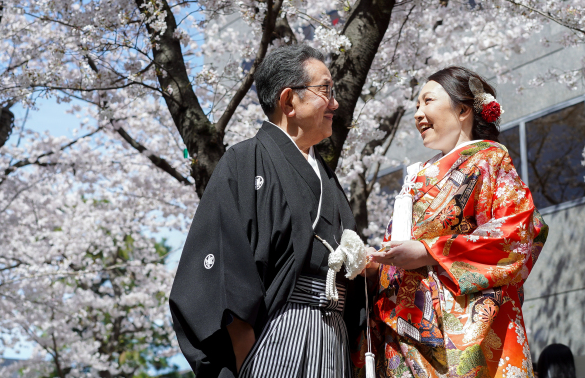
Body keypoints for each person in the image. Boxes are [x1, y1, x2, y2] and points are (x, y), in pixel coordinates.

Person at [169, 44, 363, 378]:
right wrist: (247, 360)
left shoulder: (326, 177)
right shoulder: (243, 162)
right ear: (289, 100)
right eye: (325, 91)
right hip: (273, 339)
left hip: (335, 337)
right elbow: (226, 268)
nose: (335, 103)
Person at [362, 66, 549, 378]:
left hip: (463, 324)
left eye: (428, 101)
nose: (418, 113)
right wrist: (376, 265)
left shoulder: (488, 159)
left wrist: (429, 252)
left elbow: (517, 234)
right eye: (416, 105)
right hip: (408, 324)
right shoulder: (419, 176)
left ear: (463, 109)